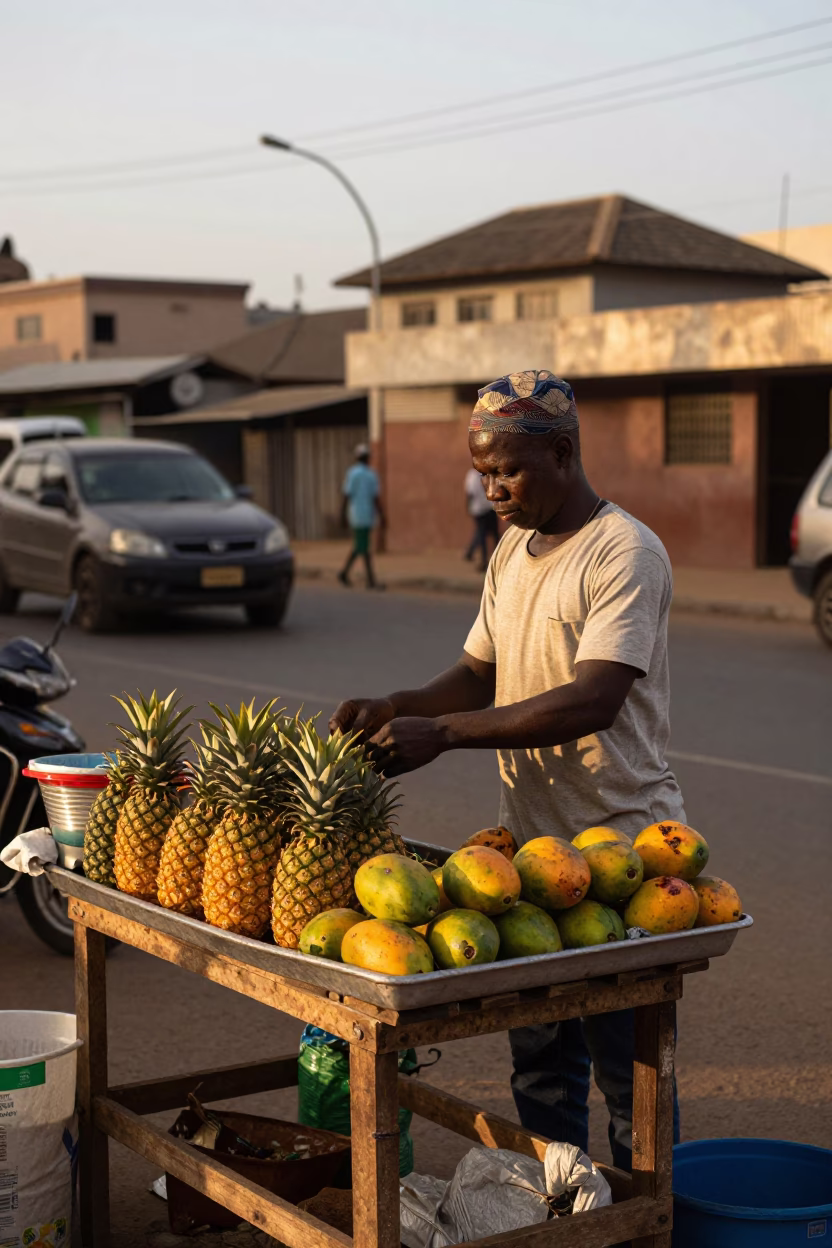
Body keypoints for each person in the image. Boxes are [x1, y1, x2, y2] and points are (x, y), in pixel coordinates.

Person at [330, 368, 684, 1170]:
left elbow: (592, 699)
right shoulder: (513, 550)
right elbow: (476, 672)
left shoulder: (625, 552)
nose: (492, 489)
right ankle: (561, 1212)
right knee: (544, 1070)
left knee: (634, 1080)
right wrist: (394, 705)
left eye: (508, 470)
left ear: (563, 453)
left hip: (624, 855)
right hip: (525, 864)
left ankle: (645, 1224)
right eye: (484, 472)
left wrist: (445, 734)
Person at [338, 443, 385, 590]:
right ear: (367, 458)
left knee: (360, 546)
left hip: (356, 515)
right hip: (366, 515)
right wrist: (382, 515)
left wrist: (342, 515)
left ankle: (344, 573)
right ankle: (370, 580)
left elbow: (346, 496)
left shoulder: (352, 474)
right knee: (363, 548)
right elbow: (376, 498)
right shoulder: (372, 475)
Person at [463, 466, 499, 571]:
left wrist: (468, 507)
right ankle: (496, 558)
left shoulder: (472, 476)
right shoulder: (487, 474)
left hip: (479, 509)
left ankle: (482, 559)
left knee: (482, 534)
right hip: (488, 507)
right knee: (492, 533)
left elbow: (469, 494)